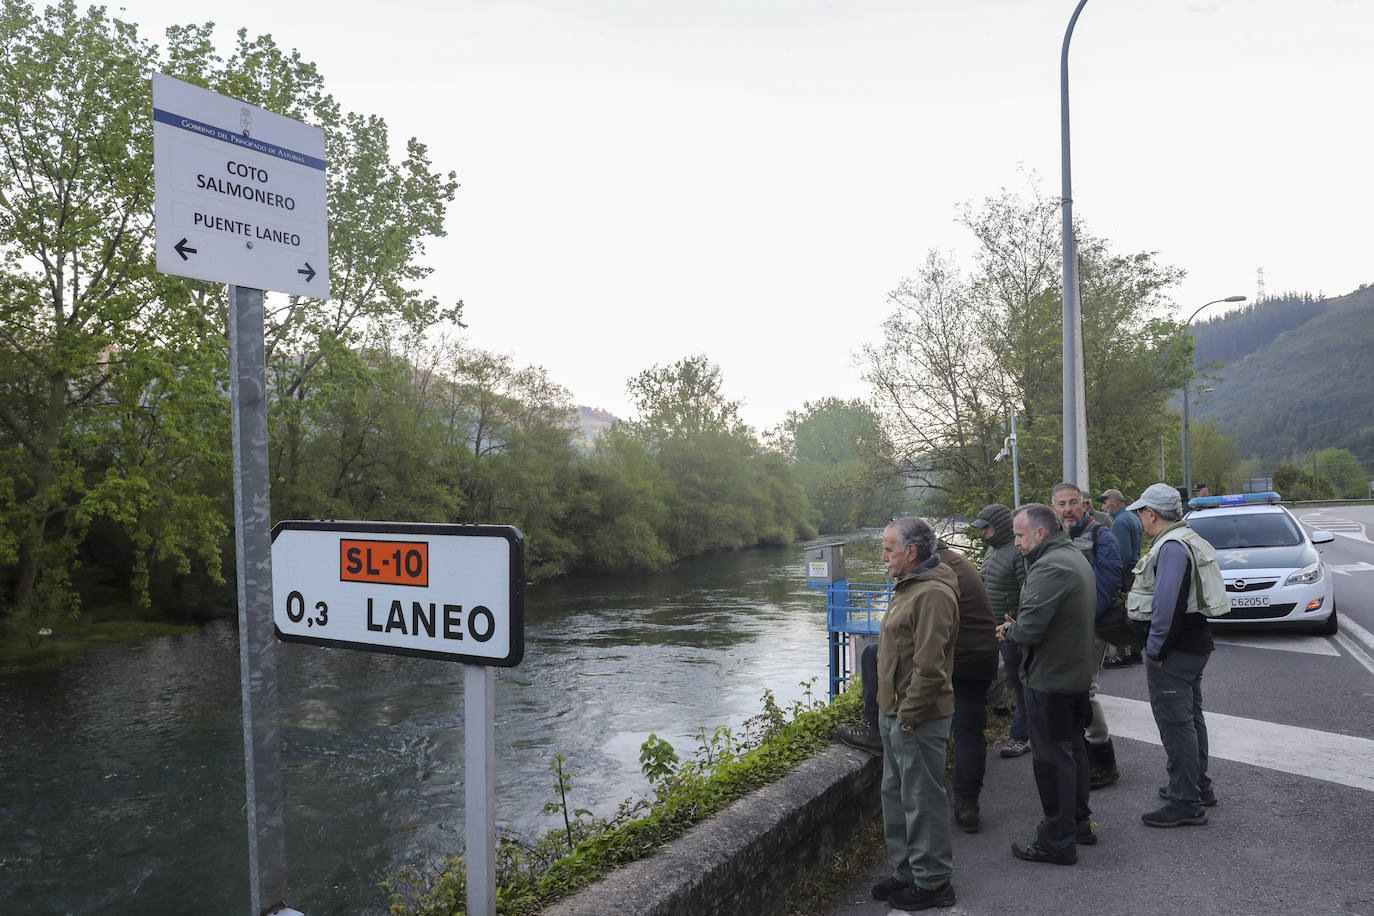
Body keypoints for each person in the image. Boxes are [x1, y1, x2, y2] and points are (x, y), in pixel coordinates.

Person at [995, 503, 1097, 865]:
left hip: (1051, 678)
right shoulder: (1072, 556)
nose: (1017, 543)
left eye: (1020, 536)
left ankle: (1056, 840)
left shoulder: (1050, 566)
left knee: (1051, 760)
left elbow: (1031, 630)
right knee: (1072, 750)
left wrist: (1010, 629)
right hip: (1072, 674)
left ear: (1040, 534)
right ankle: (1079, 824)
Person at [868, 517, 959, 910]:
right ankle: (907, 872)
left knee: (922, 800)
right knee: (897, 796)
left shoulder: (932, 594)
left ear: (912, 552)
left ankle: (934, 881)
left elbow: (930, 666)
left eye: (889, 549)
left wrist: (908, 715)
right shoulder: (910, 586)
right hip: (897, 714)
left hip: (917, 717)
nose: (884, 557)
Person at [1125, 483, 1218, 827]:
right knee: (1191, 719)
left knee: (1177, 725)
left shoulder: (1171, 547)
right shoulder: (1187, 539)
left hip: (1174, 652)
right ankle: (1198, 786)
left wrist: (1156, 649)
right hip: (1193, 645)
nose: (1141, 520)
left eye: (1141, 513)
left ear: (1151, 514)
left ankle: (1185, 801)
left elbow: (1167, 605)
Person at [1050, 482, 1124, 789]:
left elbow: (1107, 584)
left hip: (1089, 628)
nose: (1067, 508)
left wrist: (1080, 618)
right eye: (1061, 504)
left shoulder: (1101, 536)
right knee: (1075, 690)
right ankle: (1082, 755)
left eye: (1072, 502)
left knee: (1087, 690)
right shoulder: (1056, 538)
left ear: (1084, 505)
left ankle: (1103, 759)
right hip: (1066, 630)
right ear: (1053, 508)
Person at [937, 539, 998, 833]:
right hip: (983, 656)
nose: (887, 560)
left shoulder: (936, 571)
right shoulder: (957, 561)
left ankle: (874, 731)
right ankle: (967, 804)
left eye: (891, 551)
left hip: (961, 661)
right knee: (970, 731)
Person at [973, 504, 1030, 759]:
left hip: (1012, 630)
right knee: (1017, 682)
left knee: (1021, 683)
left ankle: (1022, 736)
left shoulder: (1017, 553)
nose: (985, 532)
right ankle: (1025, 730)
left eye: (988, 527)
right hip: (995, 628)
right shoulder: (992, 551)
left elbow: (1027, 591)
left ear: (1001, 525)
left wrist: (1017, 623)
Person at [1099, 488, 1145, 668]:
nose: (1103, 506)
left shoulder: (1119, 522)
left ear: (1114, 503)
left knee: (1120, 613)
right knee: (1132, 612)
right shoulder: (1133, 517)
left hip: (1125, 573)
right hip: (1135, 571)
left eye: (1105, 502)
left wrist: (1114, 577)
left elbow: (1121, 554)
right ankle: (1135, 651)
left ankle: (1123, 655)